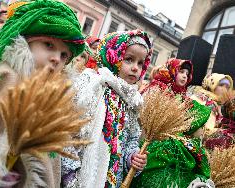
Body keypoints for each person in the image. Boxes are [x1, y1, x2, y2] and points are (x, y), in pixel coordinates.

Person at [0, 0, 85, 187]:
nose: (56, 59)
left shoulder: (49, 97)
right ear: (25, 40)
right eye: (48, 45)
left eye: (64, 55)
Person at [61, 29, 152, 188]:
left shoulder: (132, 101)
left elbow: (131, 139)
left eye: (140, 63)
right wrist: (69, 175)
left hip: (111, 180)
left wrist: (132, 158)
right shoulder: (93, 85)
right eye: (129, 59)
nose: (135, 68)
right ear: (112, 56)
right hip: (81, 176)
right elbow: (71, 132)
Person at [131, 58, 213, 188]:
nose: (185, 76)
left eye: (187, 73)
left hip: (169, 143)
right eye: (181, 71)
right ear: (172, 71)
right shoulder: (156, 89)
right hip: (149, 142)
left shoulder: (182, 96)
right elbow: (144, 120)